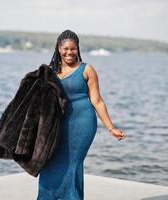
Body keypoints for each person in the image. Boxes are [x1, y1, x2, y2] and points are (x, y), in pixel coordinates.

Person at [36, 30, 126, 200]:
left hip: (82, 123)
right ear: (58, 49)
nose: (69, 52)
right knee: (49, 162)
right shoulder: (50, 72)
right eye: (65, 49)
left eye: (73, 49)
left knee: (72, 164)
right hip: (56, 125)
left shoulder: (87, 69)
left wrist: (110, 128)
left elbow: (97, 101)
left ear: (78, 49)